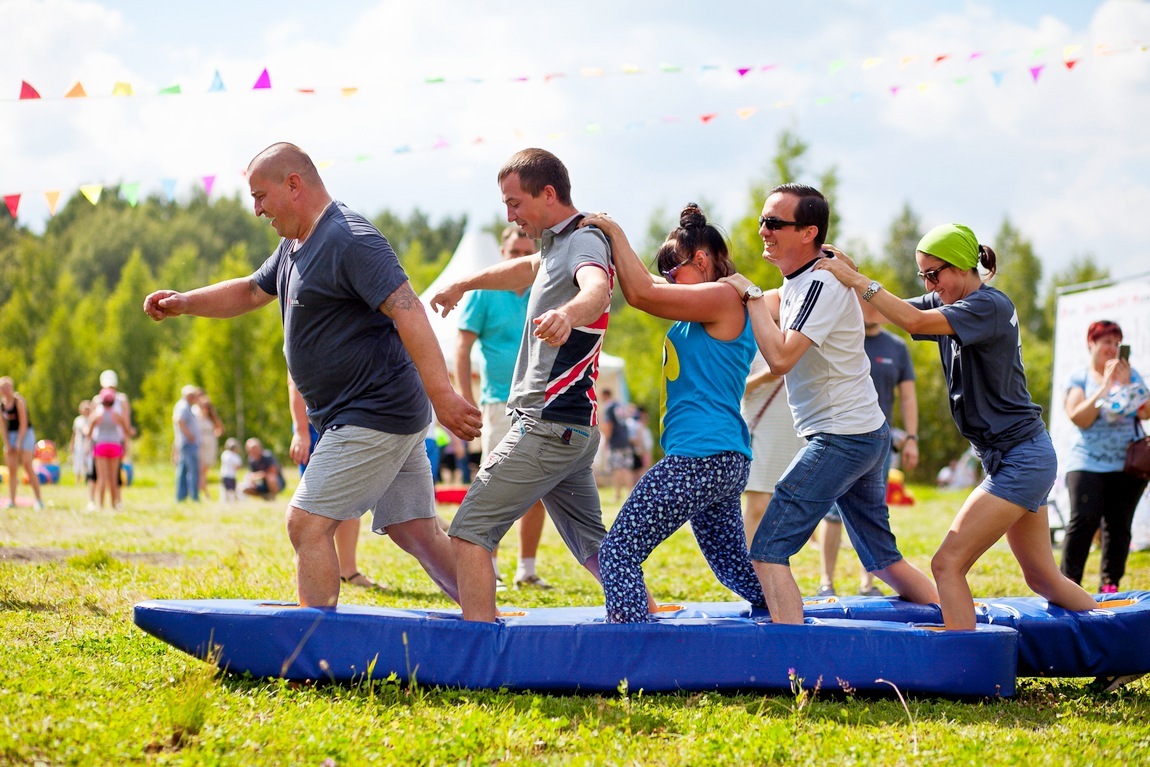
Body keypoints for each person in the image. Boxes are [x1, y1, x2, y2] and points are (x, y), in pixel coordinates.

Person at [144, 141, 480, 608]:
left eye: (261, 196)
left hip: (372, 412)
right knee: (413, 528)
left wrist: (442, 394)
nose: (257, 210)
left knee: (307, 523)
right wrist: (185, 302)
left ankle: (314, 644)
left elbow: (410, 311)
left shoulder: (350, 238)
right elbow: (247, 291)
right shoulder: (293, 246)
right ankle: (483, 612)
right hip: (380, 412)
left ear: (294, 185)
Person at [815, 221, 1097, 631]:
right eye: (923, 275)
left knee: (947, 564)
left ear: (965, 267)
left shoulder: (989, 306)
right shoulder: (949, 300)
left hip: (1022, 458)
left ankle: (963, 662)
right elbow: (876, 312)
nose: (931, 283)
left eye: (935, 274)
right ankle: (1114, 645)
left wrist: (858, 279)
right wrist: (849, 272)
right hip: (1013, 457)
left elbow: (913, 322)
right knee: (1042, 578)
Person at [721, 184, 938, 625]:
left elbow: (780, 358)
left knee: (767, 550)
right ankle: (960, 623)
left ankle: (794, 665)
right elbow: (752, 307)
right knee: (881, 562)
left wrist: (751, 296)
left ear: (808, 233)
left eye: (774, 223)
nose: (763, 230)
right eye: (763, 220)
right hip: (860, 433)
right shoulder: (800, 280)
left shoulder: (820, 283)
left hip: (844, 437)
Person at [429, 147, 612, 622]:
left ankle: (478, 647)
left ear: (548, 194)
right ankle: (646, 616)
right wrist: (463, 284)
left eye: (514, 203)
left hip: (550, 424)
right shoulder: (554, 245)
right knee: (593, 545)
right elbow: (523, 270)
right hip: (570, 428)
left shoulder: (584, 240)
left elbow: (596, 286)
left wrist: (568, 314)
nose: (509, 214)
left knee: (469, 529)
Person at [581, 205, 768, 622]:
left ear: (701, 261)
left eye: (673, 271)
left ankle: (629, 652)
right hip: (720, 458)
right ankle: (786, 615)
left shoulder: (722, 297)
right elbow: (645, 283)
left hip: (700, 459)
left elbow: (643, 294)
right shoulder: (702, 305)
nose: (667, 279)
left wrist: (613, 228)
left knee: (618, 552)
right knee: (735, 568)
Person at [453, 225, 553, 590]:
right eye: (514, 252)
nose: (521, 258)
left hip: (541, 403)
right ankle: (488, 564)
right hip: (497, 402)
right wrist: (464, 398)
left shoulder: (547, 289)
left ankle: (526, 567)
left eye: (527, 252)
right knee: (491, 486)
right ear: (502, 253)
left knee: (538, 487)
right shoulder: (485, 292)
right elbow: (462, 348)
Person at [818, 296, 920, 597]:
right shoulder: (843, 338)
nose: (872, 308)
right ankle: (826, 582)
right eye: (866, 302)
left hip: (880, 443)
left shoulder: (897, 347)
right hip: (840, 436)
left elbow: (908, 397)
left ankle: (869, 583)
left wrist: (911, 438)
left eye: (878, 302)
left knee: (874, 512)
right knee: (833, 511)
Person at [1060, 320, 1150, 593]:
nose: (1112, 348)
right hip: (1087, 462)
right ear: (1092, 344)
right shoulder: (1079, 378)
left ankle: (1109, 587)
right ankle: (1068, 585)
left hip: (1126, 465)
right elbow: (1079, 417)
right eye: (1106, 342)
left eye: (1116, 343)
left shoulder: (1131, 376)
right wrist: (1104, 387)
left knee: (1118, 527)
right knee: (1083, 521)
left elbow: (1146, 412)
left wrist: (1125, 385)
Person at [288, 375, 385, 591]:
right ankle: (312, 569)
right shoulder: (302, 341)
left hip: (348, 420)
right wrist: (300, 431)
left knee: (350, 499)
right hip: (316, 426)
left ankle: (348, 570)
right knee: (314, 510)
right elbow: (294, 382)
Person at [740, 351, 805, 541]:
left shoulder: (799, 341)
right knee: (757, 505)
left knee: (777, 509)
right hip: (761, 430)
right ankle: (744, 566)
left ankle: (764, 563)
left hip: (792, 433)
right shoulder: (749, 343)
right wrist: (764, 377)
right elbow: (730, 388)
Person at [0, 377, 45, 510]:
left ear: (11, 387)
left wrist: (19, 442)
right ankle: (12, 500)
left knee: (27, 464)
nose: (4, 390)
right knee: (12, 468)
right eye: (2, 388)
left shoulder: (18, 401)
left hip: (25, 433)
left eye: (6, 387)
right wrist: (7, 443)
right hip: (11, 434)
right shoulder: (1, 405)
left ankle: (39, 500)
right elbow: (2, 426)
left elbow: (24, 422)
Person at [86, 387, 131, 510]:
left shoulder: (97, 415)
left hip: (101, 446)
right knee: (113, 477)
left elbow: (88, 432)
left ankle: (100, 504)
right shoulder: (117, 414)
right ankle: (114, 503)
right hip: (115, 445)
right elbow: (127, 430)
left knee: (102, 477)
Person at [601, 388, 635, 502]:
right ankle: (630, 493)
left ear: (605, 396)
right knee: (626, 468)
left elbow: (609, 425)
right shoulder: (620, 405)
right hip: (625, 441)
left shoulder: (609, 407)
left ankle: (617, 495)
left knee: (616, 469)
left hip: (615, 442)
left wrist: (606, 440)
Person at [193, 389, 224, 500]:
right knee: (201, 470)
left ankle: (201, 492)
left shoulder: (211, 417)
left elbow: (220, 428)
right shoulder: (196, 414)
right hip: (200, 444)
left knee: (204, 471)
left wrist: (212, 436)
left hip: (210, 444)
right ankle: (205, 494)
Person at [172, 384, 200, 502]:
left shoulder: (185, 406)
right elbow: (179, 421)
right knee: (192, 470)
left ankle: (181, 496)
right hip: (188, 443)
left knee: (183, 470)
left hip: (185, 443)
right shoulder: (183, 406)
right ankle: (194, 496)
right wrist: (190, 436)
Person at [70, 399, 92, 485]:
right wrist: (71, 445)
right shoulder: (77, 420)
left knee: (89, 464)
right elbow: (74, 433)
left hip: (89, 444)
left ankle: (89, 481)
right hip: (78, 444)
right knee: (78, 463)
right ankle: (78, 481)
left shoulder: (92, 419)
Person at [219, 437, 242, 502]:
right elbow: (237, 467)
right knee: (231, 492)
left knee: (224, 491)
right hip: (231, 476)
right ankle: (232, 503)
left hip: (224, 475)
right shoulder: (235, 456)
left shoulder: (224, 454)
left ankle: (226, 503)